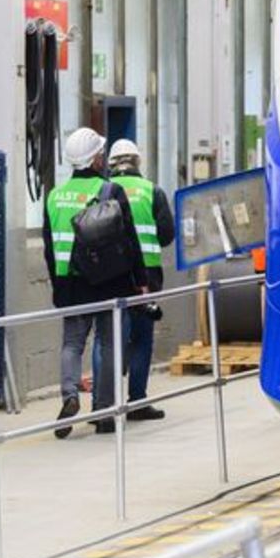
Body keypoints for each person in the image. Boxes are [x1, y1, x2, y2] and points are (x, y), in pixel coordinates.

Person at [43, 128, 148, 437]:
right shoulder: (109, 191)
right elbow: (130, 241)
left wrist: (56, 283)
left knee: (72, 344)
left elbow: (49, 247)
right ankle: (103, 411)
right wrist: (140, 281)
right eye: (101, 154)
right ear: (95, 158)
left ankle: (70, 395)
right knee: (107, 343)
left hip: (68, 282)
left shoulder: (53, 196)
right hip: (107, 281)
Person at [108, 139, 175, 420]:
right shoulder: (153, 191)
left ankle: (106, 404)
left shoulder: (104, 191)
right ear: (138, 162)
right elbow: (167, 235)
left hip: (113, 275)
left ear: (111, 164)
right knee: (141, 338)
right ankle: (136, 401)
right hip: (147, 275)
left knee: (110, 338)